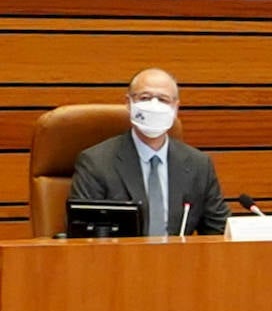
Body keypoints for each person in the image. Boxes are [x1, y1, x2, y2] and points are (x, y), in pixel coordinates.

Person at [69, 68, 230, 236]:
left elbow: (219, 231)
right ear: (129, 103)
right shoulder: (96, 162)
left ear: (176, 108)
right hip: (120, 260)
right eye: (145, 98)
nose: (154, 106)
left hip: (178, 260)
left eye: (163, 99)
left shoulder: (199, 165)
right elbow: (83, 237)